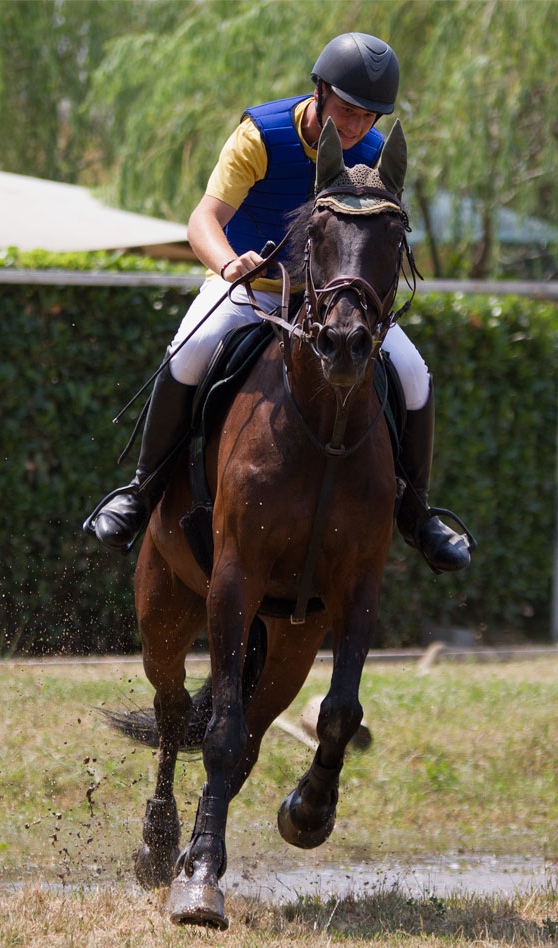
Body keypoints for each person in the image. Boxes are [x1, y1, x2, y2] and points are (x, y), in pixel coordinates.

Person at [85, 33, 471, 573]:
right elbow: (203, 220)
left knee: (415, 373)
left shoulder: (369, 158)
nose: (358, 127)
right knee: (187, 356)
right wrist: (227, 264)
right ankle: (140, 490)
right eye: (348, 111)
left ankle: (418, 512)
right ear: (319, 90)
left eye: (371, 116)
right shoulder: (260, 136)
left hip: (332, 307)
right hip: (251, 291)